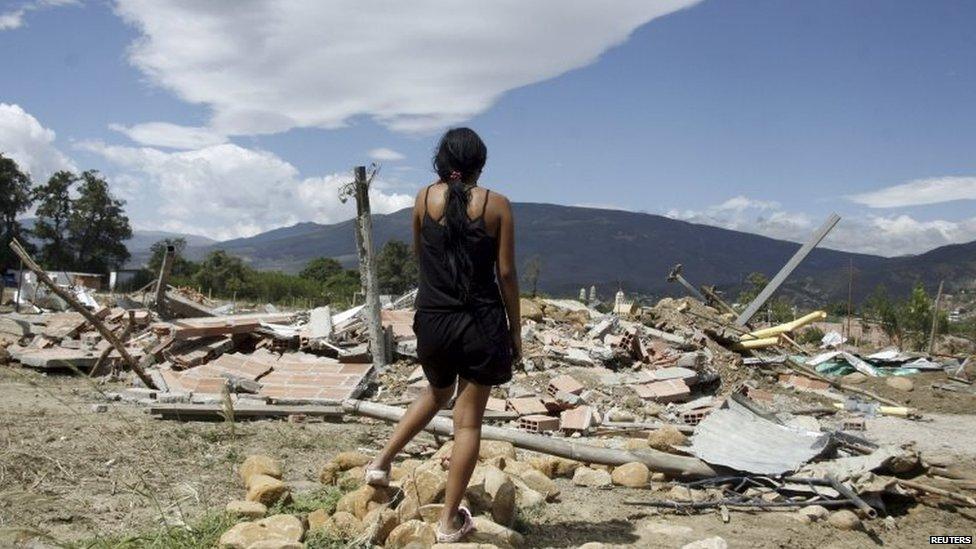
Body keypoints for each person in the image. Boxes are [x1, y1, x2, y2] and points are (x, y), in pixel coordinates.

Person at [364, 127, 521, 542]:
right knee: (467, 426)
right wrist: (515, 334)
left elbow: (421, 255)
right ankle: (449, 522)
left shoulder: (421, 199)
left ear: (442, 160)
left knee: (436, 392)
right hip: (480, 323)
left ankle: (380, 462)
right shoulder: (498, 205)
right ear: (480, 165)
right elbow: (505, 274)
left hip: (432, 319)